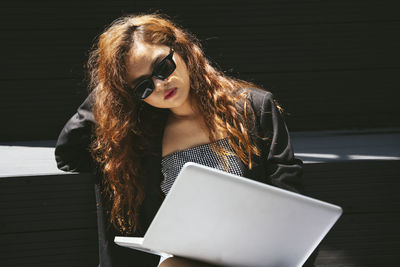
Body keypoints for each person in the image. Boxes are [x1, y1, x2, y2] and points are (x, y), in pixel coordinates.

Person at [55, 13, 317, 267]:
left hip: (254, 253)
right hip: (185, 258)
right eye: (143, 86)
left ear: (181, 50)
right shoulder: (140, 136)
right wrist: (111, 88)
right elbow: (68, 154)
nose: (160, 85)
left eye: (162, 67)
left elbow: (290, 194)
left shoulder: (253, 108)